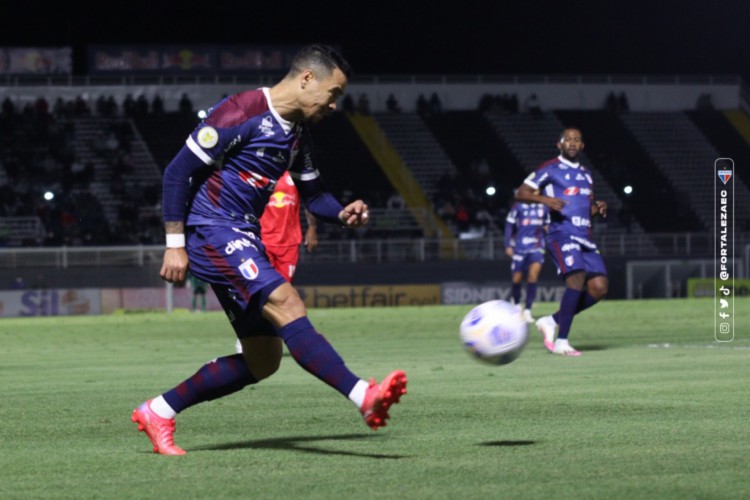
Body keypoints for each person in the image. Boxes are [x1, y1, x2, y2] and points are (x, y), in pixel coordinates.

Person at [131, 44, 407, 455]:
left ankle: (158, 410)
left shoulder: (297, 135)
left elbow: (314, 196)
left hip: (242, 234)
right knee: (286, 301)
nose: (334, 105)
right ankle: (363, 395)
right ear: (307, 78)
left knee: (263, 360)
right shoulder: (240, 111)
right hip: (213, 230)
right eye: (333, 93)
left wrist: (343, 212)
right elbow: (177, 172)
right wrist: (174, 246)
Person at [514, 127, 608, 356]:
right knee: (576, 278)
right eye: (568, 140)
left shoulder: (586, 174)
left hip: (584, 236)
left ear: (582, 146)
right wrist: (545, 199)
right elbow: (521, 192)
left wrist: (597, 208)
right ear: (560, 144)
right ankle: (561, 342)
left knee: (599, 288)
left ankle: (551, 320)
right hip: (561, 234)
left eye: (577, 140)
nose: (573, 143)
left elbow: (584, 208)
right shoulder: (550, 168)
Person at [235, 170, 317, 353]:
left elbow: (308, 200)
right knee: (258, 290)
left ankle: (275, 336)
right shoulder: (258, 173)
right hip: (262, 241)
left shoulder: (295, 174)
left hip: (289, 244)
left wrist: (312, 227)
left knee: (283, 293)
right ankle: (248, 336)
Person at [504, 198, 549, 323]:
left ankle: (528, 310)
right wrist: (507, 244)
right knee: (516, 278)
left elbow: (547, 225)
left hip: (537, 247)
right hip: (520, 247)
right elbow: (509, 225)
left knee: (533, 276)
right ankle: (517, 305)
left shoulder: (543, 207)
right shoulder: (518, 206)